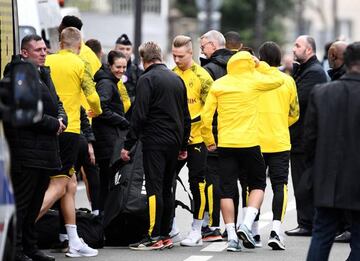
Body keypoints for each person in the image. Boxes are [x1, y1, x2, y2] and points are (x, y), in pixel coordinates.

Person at [201, 51, 284, 251]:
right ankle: (246, 224)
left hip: (226, 144)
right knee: (258, 184)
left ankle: (231, 236)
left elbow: (206, 117)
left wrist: (209, 140)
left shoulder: (219, 84)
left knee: (226, 189)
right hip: (250, 143)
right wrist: (260, 65)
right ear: (248, 64)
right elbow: (278, 79)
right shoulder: (254, 81)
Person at [120, 41, 190, 250]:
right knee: (168, 188)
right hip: (174, 141)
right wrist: (183, 145)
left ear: (144, 59)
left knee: (154, 187)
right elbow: (185, 116)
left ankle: (153, 235)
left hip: (155, 140)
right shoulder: (177, 79)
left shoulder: (147, 79)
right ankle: (166, 234)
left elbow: (139, 115)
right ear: (159, 56)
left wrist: (128, 145)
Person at [3, 34, 67, 261]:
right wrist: (54, 124)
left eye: (44, 49)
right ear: (24, 53)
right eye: (38, 50)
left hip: (43, 153)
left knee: (34, 206)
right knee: (22, 206)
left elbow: (57, 103)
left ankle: (30, 248)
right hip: (26, 154)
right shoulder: (19, 75)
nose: (43, 53)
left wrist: (61, 118)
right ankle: (16, 251)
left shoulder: (42, 74)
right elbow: (26, 115)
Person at [40, 27, 102, 258]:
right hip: (70, 130)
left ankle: (73, 239)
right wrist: (95, 111)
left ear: (60, 42)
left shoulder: (47, 60)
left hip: (48, 128)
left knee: (70, 184)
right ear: (80, 44)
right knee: (58, 186)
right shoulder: (79, 64)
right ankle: (19, 231)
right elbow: (93, 96)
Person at [305, 41, 360, 261]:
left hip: (328, 178)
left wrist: (313, 170)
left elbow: (309, 140)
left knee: (322, 234)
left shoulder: (322, 92)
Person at [171, 35, 215, 246]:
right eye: (174, 55)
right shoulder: (171, 75)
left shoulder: (203, 77)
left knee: (197, 184)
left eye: (181, 56)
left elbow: (210, 111)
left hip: (197, 139)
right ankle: (169, 226)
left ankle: (197, 229)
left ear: (191, 53)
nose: (177, 60)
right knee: (166, 181)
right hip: (175, 139)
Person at [257, 41, 300, 250]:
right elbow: (295, 113)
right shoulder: (288, 81)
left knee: (254, 185)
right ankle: (275, 229)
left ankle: (253, 230)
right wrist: (282, 122)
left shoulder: (254, 80)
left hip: (255, 140)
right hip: (280, 140)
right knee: (280, 185)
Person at [285, 35, 327, 237]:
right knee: (302, 181)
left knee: (303, 182)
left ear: (309, 50)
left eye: (297, 46)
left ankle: (307, 222)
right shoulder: (305, 70)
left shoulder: (314, 73)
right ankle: (306, 221)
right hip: (300, 137)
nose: (294, 49)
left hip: (304, 138)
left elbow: (297, 102)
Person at [199, 30, 234, 240]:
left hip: (213, 130)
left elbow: (206, 106)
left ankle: (211, 225)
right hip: (236, 131)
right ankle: (235, 225)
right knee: (232, 179)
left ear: (213, 45)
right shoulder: (237, 67)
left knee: (211, 177)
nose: (202, 51)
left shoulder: (209, 70)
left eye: (203, 47)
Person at [92, 50, 130, 212]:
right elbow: (101, 109)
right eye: (118, 67)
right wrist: (123, 121)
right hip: (107, 140)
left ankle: (103, 216)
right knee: (108, 182)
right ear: (109, 66)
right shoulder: (107, 84)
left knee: (107, 182)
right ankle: (103, 217)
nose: (121, 70)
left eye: (124, 67)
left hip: (108, 137)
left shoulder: (110, 81)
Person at [114, 34, 143, 104]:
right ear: (115, 49)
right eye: (121, 49)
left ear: (131, 51)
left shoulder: (137, 71)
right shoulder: (107, 69)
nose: (125, 52)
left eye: (128, 49)